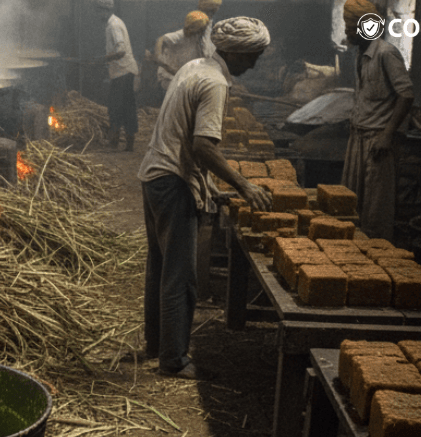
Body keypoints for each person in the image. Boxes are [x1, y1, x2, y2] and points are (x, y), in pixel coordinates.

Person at [135, 17, 273, 380]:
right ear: (235, 52)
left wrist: (211, 187)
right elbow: (203, 147)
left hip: (154, 176)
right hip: (173, 182)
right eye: (253, 55)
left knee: (160, 268)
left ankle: (156, 345)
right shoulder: (214, 83)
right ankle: (174, 360)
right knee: (181, 277)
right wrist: (245, 185)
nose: (255, 63)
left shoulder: (196, 66)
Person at [342, 0, 413, 241]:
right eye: (346, 26)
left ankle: (376, 260)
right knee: (350, 205)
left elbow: (406, 94)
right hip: (358, 138)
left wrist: (387, 134)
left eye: (351, 27)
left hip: (377, 142)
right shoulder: (360, 54)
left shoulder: (386, 53)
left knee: (375, 211)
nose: (347, 32)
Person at [96, 0, 140, 151]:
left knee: (116, 107)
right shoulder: (114, 22)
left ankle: (114, 142)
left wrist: (104, 59)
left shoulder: (113, 25)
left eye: (99, 10)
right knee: (126, 107)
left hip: (123, 72)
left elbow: (121, 51)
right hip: (123, 72)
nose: (98, 14)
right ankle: (128, 144)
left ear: (104, 10)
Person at [146, 10, 212, 91]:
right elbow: (161, 39)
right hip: (169, 76)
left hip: (184, 76)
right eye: (199, 30)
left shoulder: (202, 39)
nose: (201, 33)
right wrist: (160, 58)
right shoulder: (181, 35)